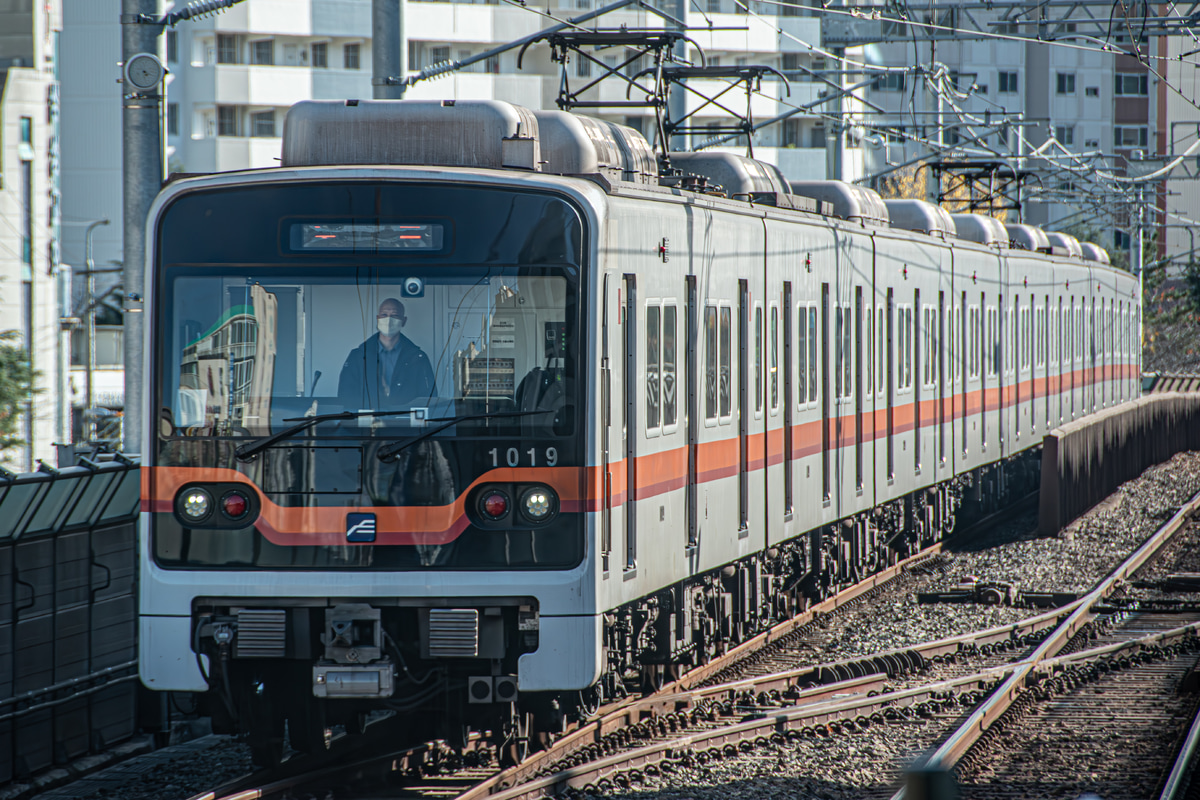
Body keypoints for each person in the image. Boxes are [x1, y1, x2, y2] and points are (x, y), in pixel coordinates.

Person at [338, 297, 437, 410]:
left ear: (404, 321)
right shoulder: (358, 356)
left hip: (406, 424)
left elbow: (429, 398)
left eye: (394, 315)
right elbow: (345, 397)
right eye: (384, 315)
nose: (389, 320)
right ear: (378, 318)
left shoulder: (418, 358)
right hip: (366, 424)